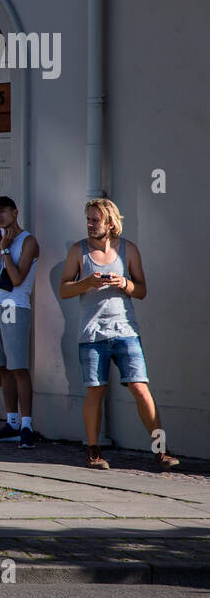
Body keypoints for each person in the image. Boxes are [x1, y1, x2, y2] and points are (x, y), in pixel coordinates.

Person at [58, 198, 178, 471]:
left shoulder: (129, 250)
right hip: (91, 333)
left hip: (126, 331)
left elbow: (142, 290)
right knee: (95, 390)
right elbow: (64, 289)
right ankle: (93, 450)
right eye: (88, 219)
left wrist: (123, 283)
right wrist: (87, 282)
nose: (89, 224)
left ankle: (160, 449)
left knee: (140, 387)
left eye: (95, 220)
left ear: (110, 224)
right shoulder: (79, 251)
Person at [0, 196, 40, 449]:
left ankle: (27, 424)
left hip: (14, 306)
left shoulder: (28, 241)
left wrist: (5, 249)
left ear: (15, 212)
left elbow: (16, 279)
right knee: (3, 367)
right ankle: (11, 421)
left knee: (18, 368)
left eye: (3, 211)